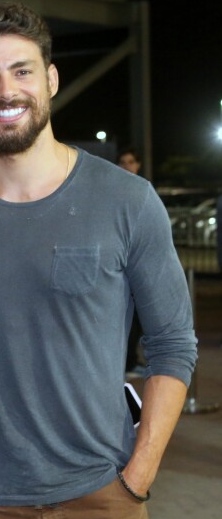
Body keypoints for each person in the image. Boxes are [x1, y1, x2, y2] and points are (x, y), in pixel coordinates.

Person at [0, 2, 197, 519]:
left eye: (22, 70)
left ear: (50, 79)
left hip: (105, 497)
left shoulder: (126, 200)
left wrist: (137, 475)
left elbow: (173, 347)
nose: (6, 90)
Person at [117, 146, 145, 376]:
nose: (126, 166)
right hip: (122, 266)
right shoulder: (112, 193)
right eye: (122, 162)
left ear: (138, 165)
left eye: (130, 161)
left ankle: (133, 360)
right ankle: (126, 363)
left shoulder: (146, 192)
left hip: (143, 265)